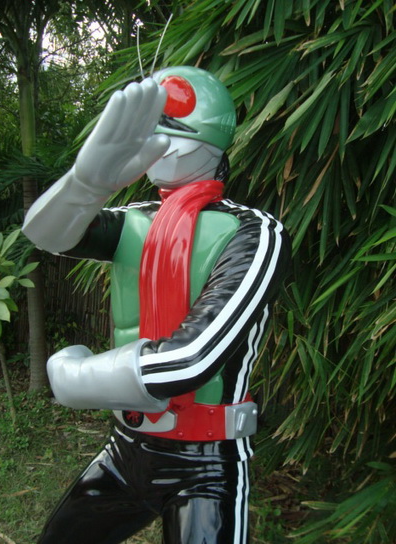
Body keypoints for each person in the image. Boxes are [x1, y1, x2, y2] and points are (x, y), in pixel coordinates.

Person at [23, 66, 291, 544]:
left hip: (205, 462)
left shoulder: (254, 232)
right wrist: (86, 182)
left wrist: (77, 379)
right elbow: (46, 235)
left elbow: (192, 359)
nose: (156, 144)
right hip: (126, 449)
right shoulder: (135, 222)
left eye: (170, 128)